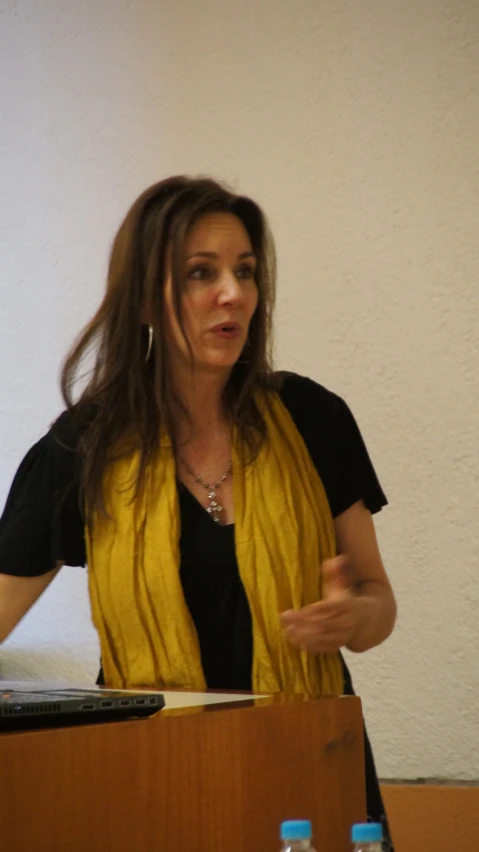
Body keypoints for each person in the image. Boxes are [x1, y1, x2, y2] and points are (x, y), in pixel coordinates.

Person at [0, 176, 396, 848]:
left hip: (310, 771)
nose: (232, 293)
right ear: (144, 298)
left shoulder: (312, 420)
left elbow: (376, 606)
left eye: (244, 271)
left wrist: (353, 616)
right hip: (154, 778)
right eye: (199, 273)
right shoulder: (83, 446)